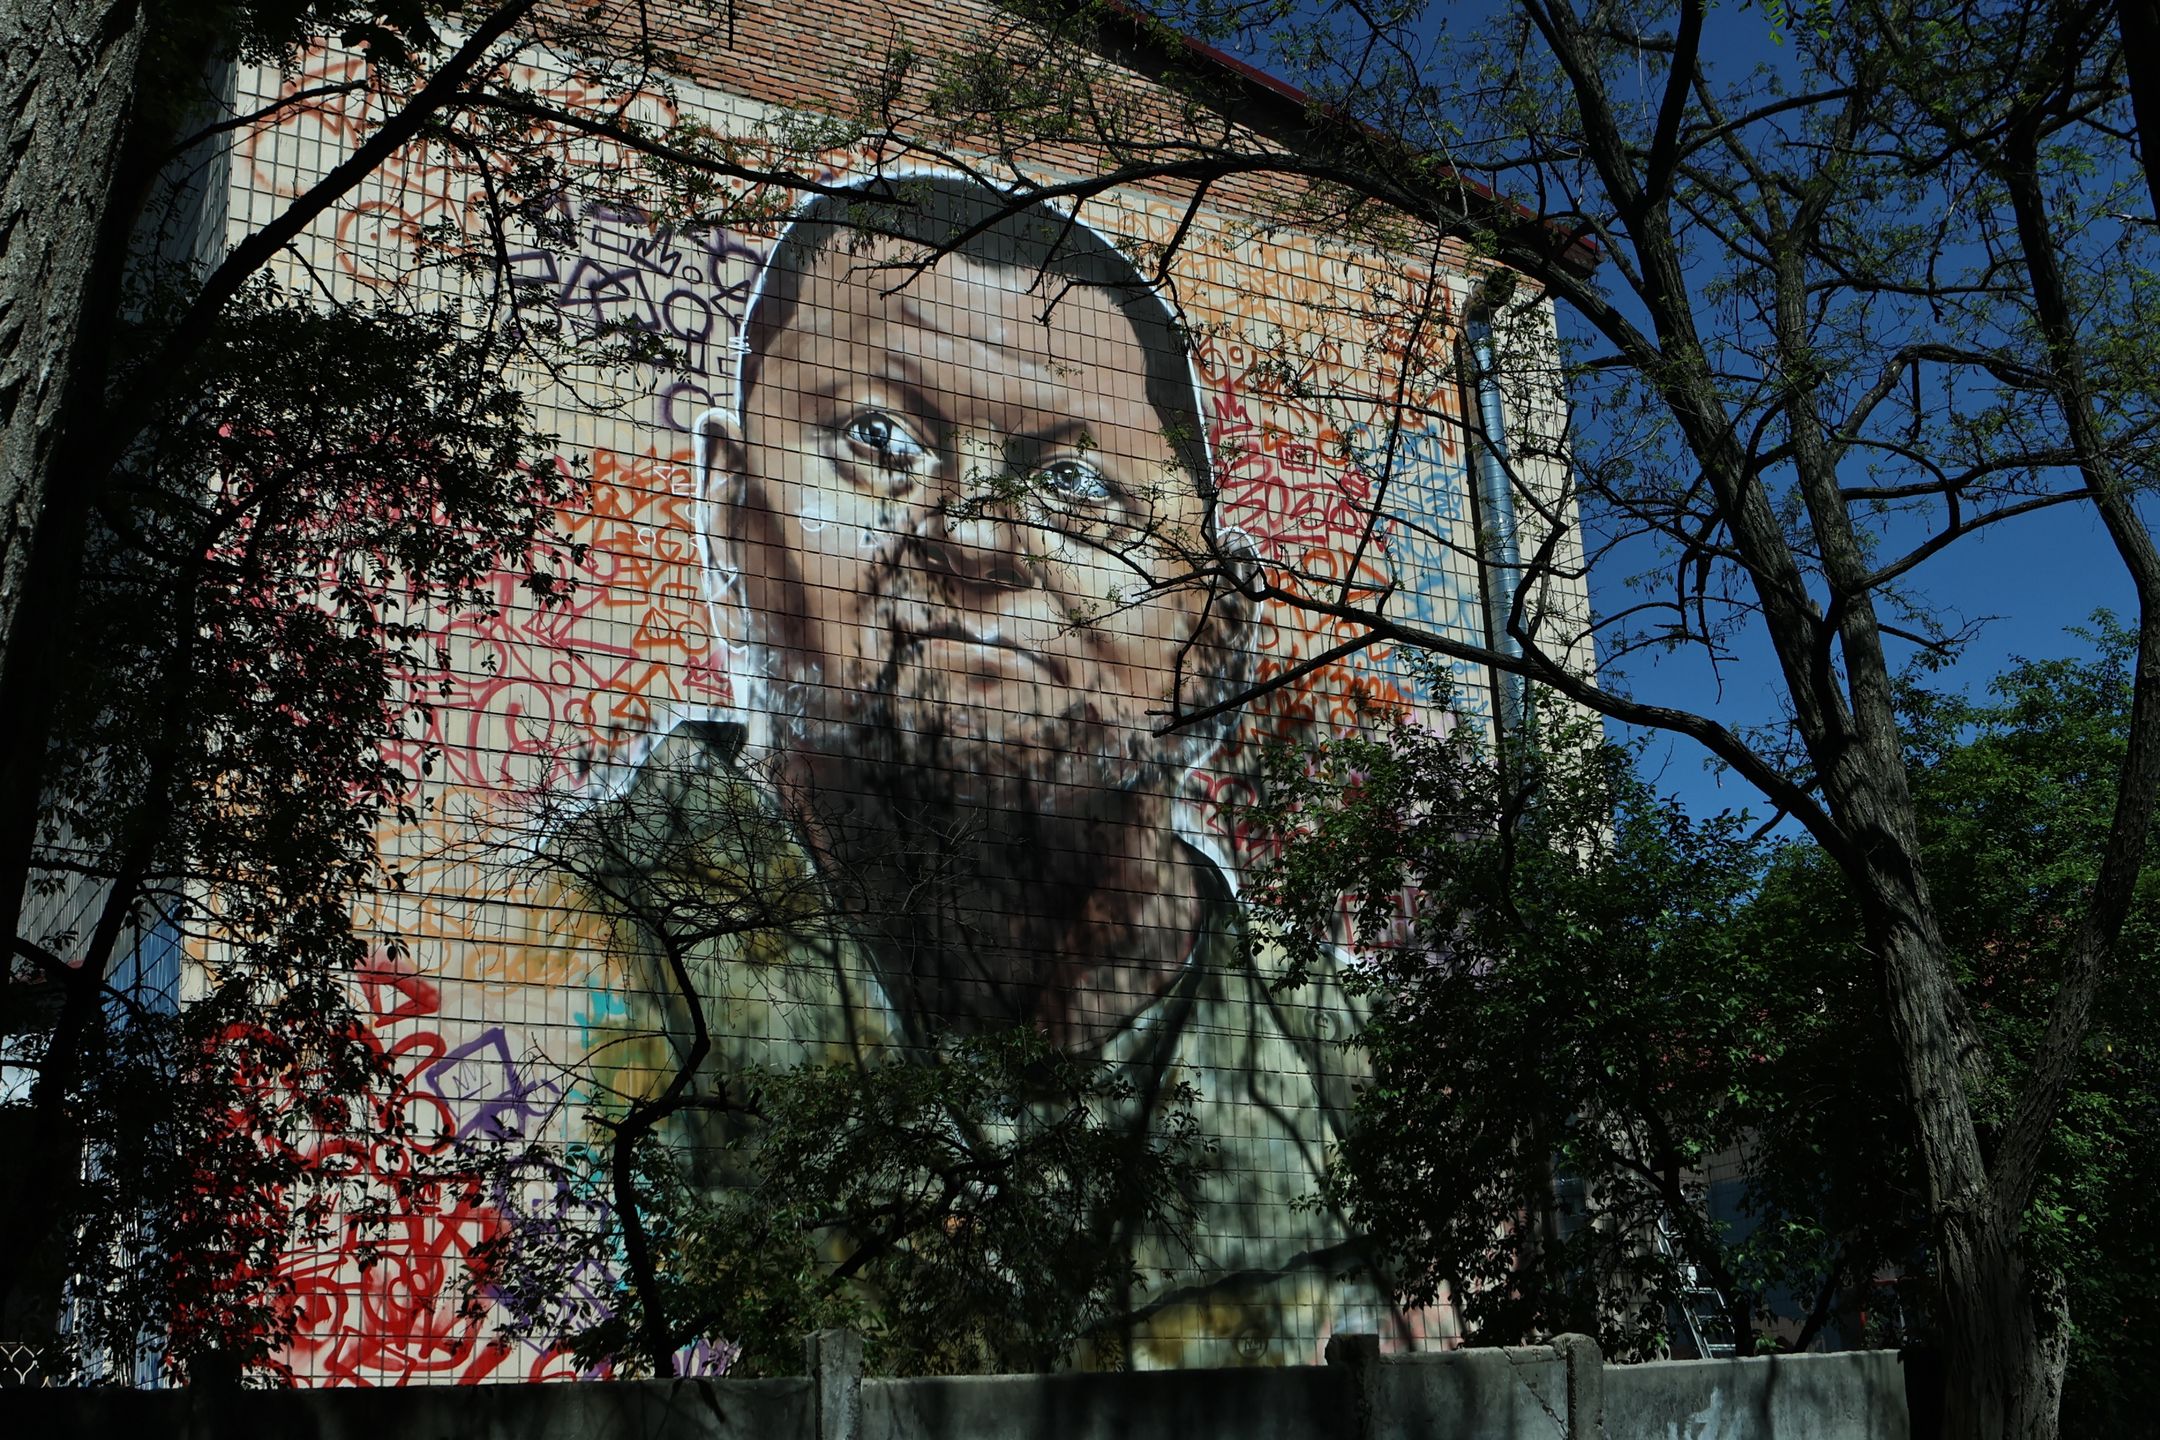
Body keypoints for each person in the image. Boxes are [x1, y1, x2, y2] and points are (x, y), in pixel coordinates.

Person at [554, 176, 1443, 1364]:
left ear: (1216, 638)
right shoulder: (564, 976)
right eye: (879, 441)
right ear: (727, 516)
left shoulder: (1373, 1080)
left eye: (1077, 486)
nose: (972, 538)